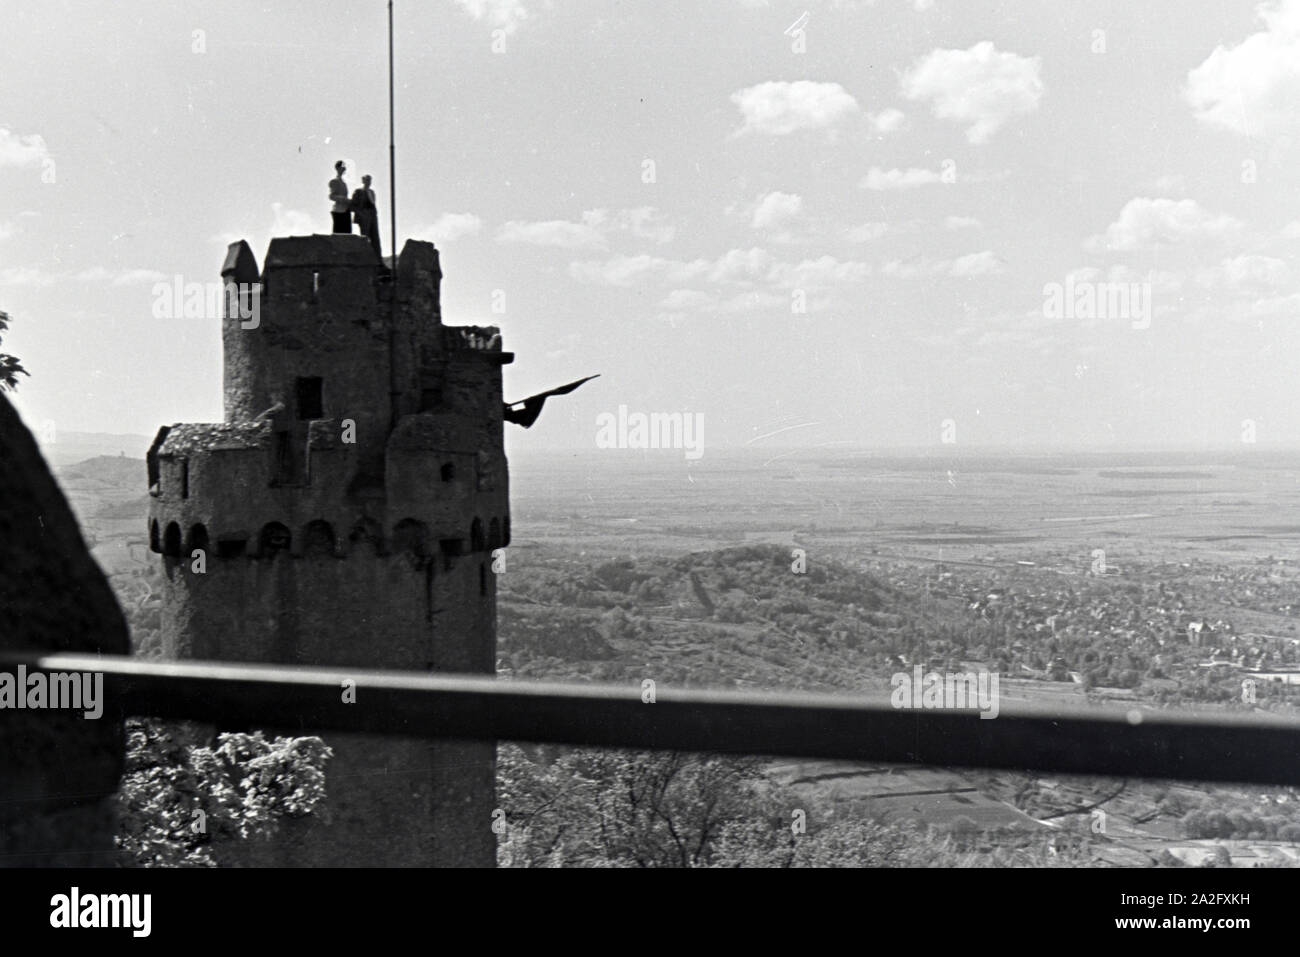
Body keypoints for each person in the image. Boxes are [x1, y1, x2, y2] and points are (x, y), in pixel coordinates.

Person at [351, 174, 382, 259]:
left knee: (375, 238)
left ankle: (378, 260)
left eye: (370, 180)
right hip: (364, 216)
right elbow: (352, 206)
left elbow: (373, 203)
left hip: (372, 216)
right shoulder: (358, 192)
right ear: (363, 181)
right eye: (367, 180)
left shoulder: (372, 192)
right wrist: (361, 213)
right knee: (365, 238)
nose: (369, 182)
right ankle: (365, 258)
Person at [329, 161, 351, 233]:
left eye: (344, 168)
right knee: (338, 233)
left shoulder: (344, 183)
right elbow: (331, 196)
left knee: (347, 234)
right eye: (341, 168)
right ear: (337, 168)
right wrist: (343, 199)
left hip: (346, 210)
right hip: (338, 211)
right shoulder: (334, 181)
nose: (343, 169)